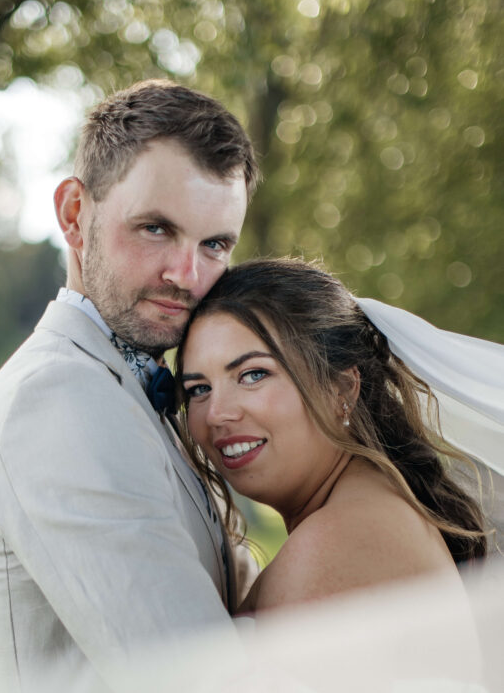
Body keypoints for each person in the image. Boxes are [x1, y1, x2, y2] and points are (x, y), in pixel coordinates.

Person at [0, 80, 260, 693]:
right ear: (73, 214)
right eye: (156, 228)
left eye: (214, 244)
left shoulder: (136, 383)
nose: (187, 275)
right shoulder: (58, 401)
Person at [176, 257, 494, 613]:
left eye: (253, 375)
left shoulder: (332, 547)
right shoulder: (371, 510)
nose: (217, 413)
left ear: (342, 388)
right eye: (198, 388)